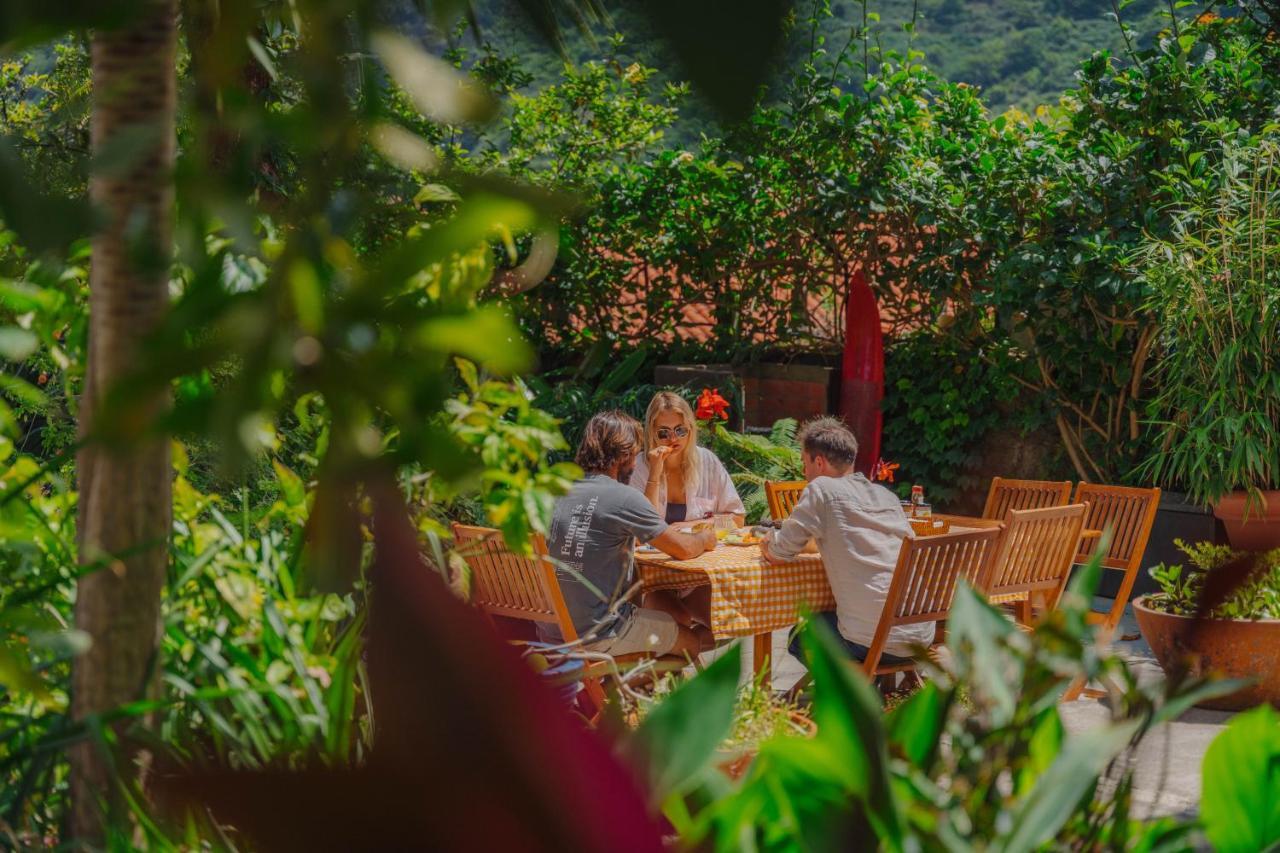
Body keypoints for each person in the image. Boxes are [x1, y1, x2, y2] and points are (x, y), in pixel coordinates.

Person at [544, 410, 717, 658]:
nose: (636, 461)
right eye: (635, 453)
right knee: (690, 643)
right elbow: (684, 549)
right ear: (624, 454)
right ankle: (610, 691)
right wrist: (705, 538)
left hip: (551, 629)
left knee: (665, 626)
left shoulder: (556, 492)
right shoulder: (623, 498)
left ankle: (622, 682)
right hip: (598, 630)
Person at [759, 417, 927, 667]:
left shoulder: (822, 489)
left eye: (805, 464)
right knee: (848, 617)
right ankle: (872, 689)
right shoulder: (886, 496)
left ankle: (851, 696)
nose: (805, 473)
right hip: (919, 637)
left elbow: (779, 553)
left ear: (819, 462)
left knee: (799, 635)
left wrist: (766, 543)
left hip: (872, 641)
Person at [629, 391, 745, 525]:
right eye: (663, 433)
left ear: (690, 428)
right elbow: (640, 531)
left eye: (680, 430)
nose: (673, 439)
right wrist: (654, 475)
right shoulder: (638, 467)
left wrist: (692, 526)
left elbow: (738, 518)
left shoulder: (707, 461)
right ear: (651, 433)